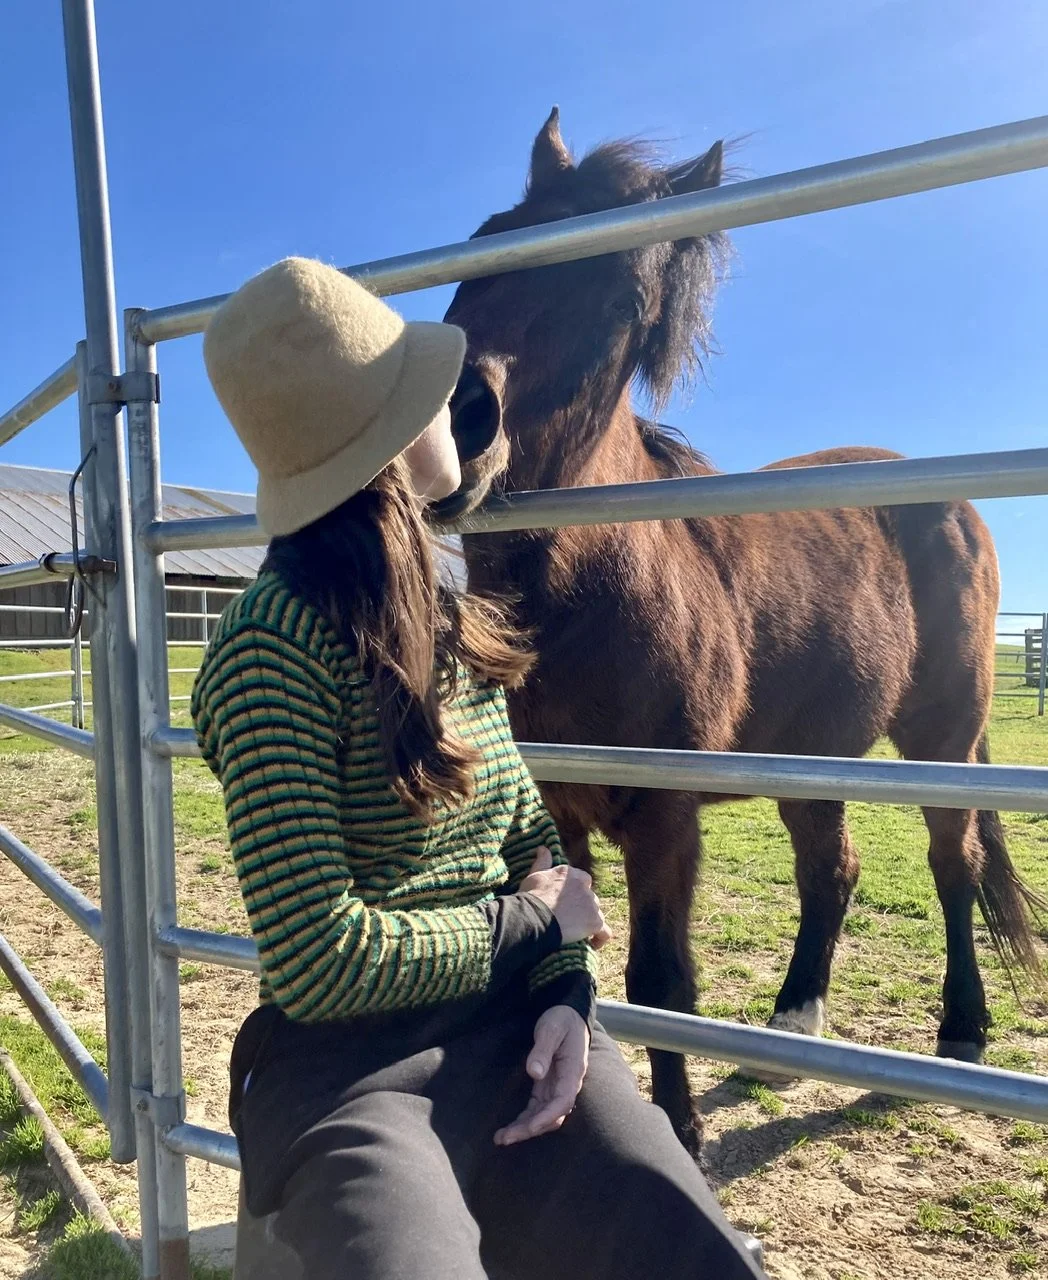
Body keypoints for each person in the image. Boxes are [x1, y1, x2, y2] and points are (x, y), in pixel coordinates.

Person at [193, 256, 765, 1280]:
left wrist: (562, 994)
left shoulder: (452, 623)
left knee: (702, 1254)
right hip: (350, 1072)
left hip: (510, 1026)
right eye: (427, 393)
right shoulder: (265, 650)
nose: (463, 411)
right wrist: (535, 927)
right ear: (378, 440)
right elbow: (321, 961)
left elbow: (527, 838)